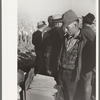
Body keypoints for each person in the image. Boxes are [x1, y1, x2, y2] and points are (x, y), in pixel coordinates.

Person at [58, 9, 88, 100]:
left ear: (75, 25)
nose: (65, 30)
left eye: (67, 27)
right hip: (61, 74)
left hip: (73, 77)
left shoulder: (85, 41)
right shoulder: (65, 38)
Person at [81, 13, 96, 100]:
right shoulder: (93, 34)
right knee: (87, 83)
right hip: (89, 62)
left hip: (78, 60)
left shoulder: (81, 31)